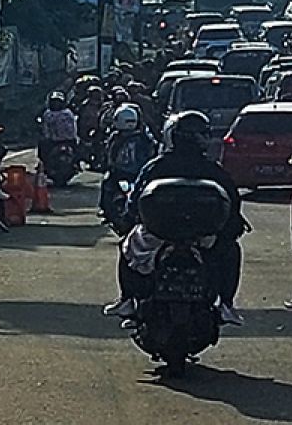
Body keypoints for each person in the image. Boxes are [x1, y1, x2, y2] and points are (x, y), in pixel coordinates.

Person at [104, 111, 246, 326]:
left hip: (163, 235)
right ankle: (226, 304)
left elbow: (134, 200)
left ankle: (128, 300)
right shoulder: (212, 169)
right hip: (197, 237)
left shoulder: (157, 166)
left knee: (127, 245)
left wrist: (127, 219)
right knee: (231, 250)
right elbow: (233, 204)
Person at [99, 103, 156, 222]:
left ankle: (105, 210)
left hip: (131, 173)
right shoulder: (143, 136)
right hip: (134, 173)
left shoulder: (142, 137)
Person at [39, 91, 78, 165]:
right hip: (52, 141)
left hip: (67, 140)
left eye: (58, 102)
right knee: (43, 146)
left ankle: (75, 163)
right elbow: (45, 127)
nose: (56, 104)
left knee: (77, 150)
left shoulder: (68, 113)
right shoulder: (48, 114)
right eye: (54, 102)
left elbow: (72, 127)